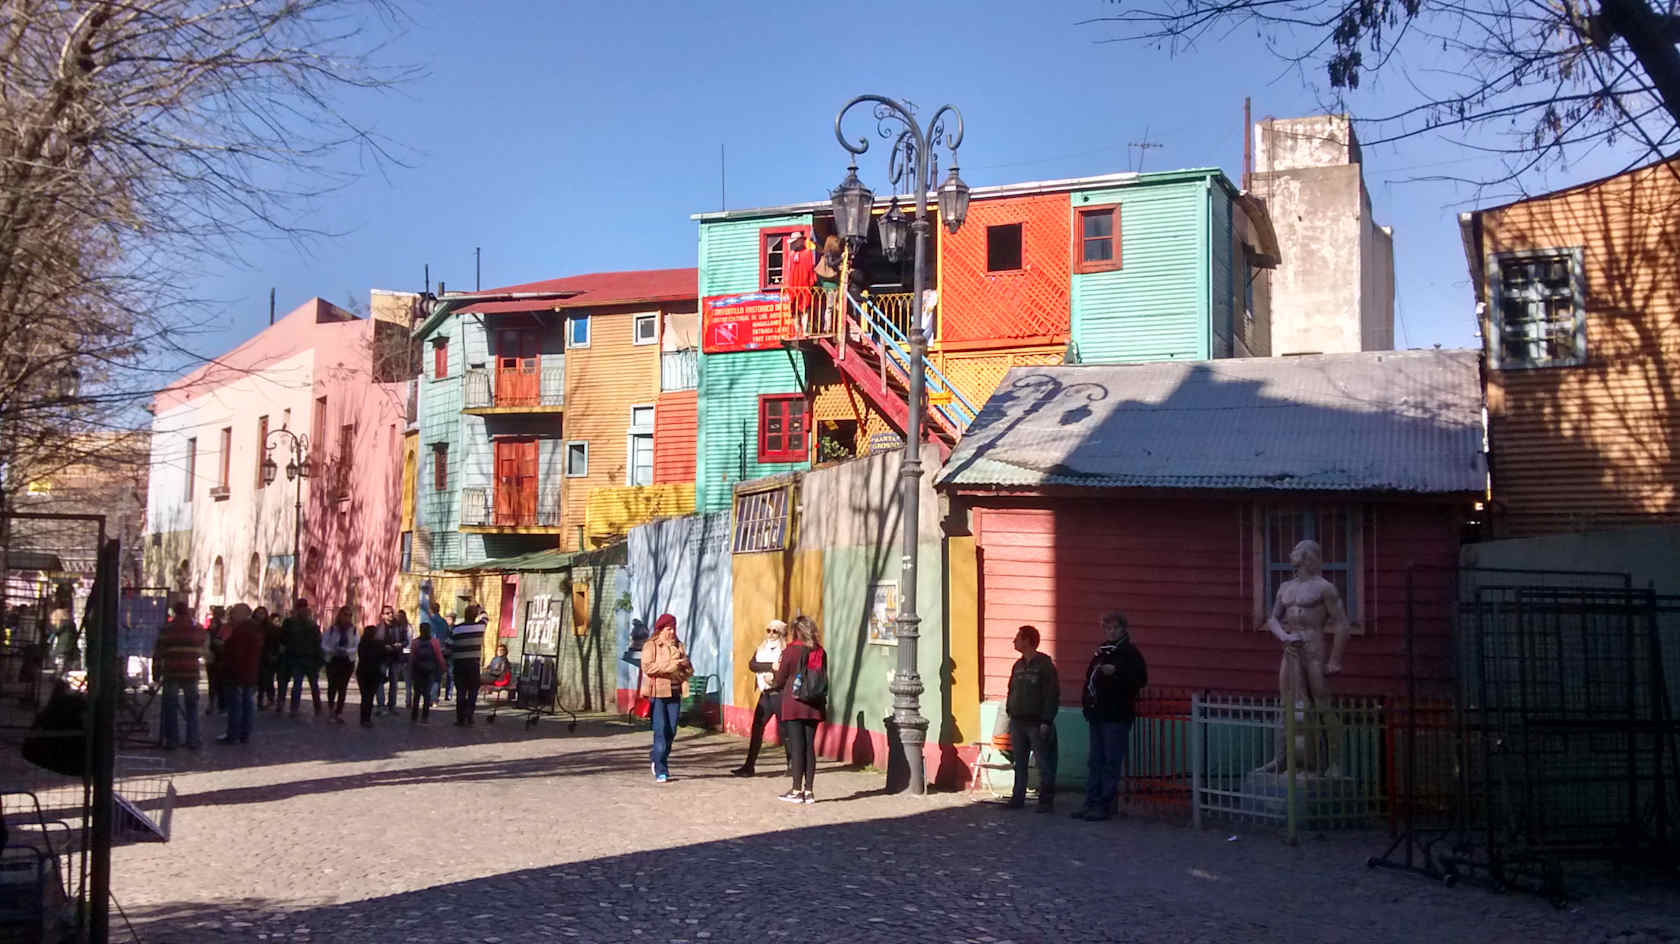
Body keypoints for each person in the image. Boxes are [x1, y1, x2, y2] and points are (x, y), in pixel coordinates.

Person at [1262, 539, 1352, 774]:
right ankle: (1281, 759)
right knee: (1286, 704)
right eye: (1306, 554)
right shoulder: (1284, 588)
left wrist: (1335, 659)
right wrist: (1284, 636)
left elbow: (1342, 624)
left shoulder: (1325, 587)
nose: (1309, 559)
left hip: (1314, 647)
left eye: (1312, 555)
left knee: (1321, 704)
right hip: (1291, 647)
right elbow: (1272, 619)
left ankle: (1334, 762)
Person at [1073, 612, 1149, 821]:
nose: (1111, 632)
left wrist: (1116, 672)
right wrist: (1087, 706)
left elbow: (1140, 680)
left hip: (1117, 715)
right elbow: (1089, 679)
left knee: (1110, 762)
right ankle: (1090, 802)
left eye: (1115, 628)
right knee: (1095, 761)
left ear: (1123, 629)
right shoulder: (1101, 652)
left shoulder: (1130, 653)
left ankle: (1105, 805)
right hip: (1097, 714)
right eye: (1107, 628)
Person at [1004, 624, 1060, 812]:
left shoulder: (1044, 665)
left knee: (1044, 762)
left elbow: (1052, 694)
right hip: (1018, 721)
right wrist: (1009, 712)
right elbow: (1011, 690)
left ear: (1028, 641)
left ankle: (1046, 801)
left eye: (1018, 637)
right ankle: (1017, 798)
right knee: (1019, 763)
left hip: (1037, 722)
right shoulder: (1018, 665)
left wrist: (1047, 720)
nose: (1014, 641)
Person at [770, 616, 826, 804]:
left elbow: (780, 679)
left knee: (797, 746)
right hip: (814, 704)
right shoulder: (819, 651)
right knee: (809, 747)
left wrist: (775, 673)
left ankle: (796, 790)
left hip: (794, 703)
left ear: (796, 632)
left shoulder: (792, 651)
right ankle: (809, 791)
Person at [639, 613, 692, 783]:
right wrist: (670, 666)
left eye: (674, 628)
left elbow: (689, 671)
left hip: (675, 693)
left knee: (671, 731)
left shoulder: (679, 645)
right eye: (669, 628)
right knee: (660, 730)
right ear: (661, 629)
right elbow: (648, 668)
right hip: (658, 693)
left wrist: (685, 665)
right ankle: (662, 768)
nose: (672, 632)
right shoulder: (651, 645)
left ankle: (656, 755)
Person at [732, 619, 786, 778]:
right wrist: (770, 666)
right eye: (768, 630)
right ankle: (749, 766)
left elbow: (784, 668)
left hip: (778, 694)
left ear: (781, 633)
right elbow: (752, 665)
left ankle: (792, 765)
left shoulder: (784, 650)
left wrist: (774, 671)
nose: (770, 634)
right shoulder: (761, 648)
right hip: (765, 694)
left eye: (774, 631)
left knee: (785, 731)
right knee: (756, 729)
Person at [153, 601, 204, 750]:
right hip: (191, 672)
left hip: (172, 671)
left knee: (170, 706)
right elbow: (202, 647)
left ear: (174, 611)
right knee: (192, 707)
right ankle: (193, 739)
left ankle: (172, 740)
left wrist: (156, 673)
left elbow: (158, 653)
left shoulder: (166, 629)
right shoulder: (197, 628)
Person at [218, 604, 264, 744]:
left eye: (234, 613)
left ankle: (234, 734)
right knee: (247, 704)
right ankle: (244, 734)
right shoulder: (254, 629)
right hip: (249, 673)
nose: (232, 616)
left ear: (243, 614)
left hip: (238, 673)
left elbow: (237, 653)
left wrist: (224, 649)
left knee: (237, 705)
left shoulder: (243, 630)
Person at [281, 599, 323, 716]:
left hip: (300, 657)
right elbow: (318, 642)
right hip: (305, 657)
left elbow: (285, 639)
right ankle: (316, 707)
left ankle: (296, 708)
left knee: (300, 684)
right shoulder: (311, 624)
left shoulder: (292, 623)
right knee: (310, 684)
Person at [449, 605, 488, 726]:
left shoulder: (455, 629)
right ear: (475, 616)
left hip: (459, 664)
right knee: (473, 691)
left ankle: (460, 718)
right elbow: (486, 617)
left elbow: (448, 646)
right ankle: (469, 714)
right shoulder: (479, 627)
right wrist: (480, 608)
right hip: (473, 665)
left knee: (461, 691)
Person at [322, 606, 358, 724]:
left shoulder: (353, 630)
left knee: (342, 687)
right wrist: (332, 650)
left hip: (347, 661)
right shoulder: (332, 629)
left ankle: (339, 712)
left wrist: (346, 651)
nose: (347, 618)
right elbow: (323, 644)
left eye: (349, 615)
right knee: (332, 686)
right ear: (340, 615)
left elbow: (356, 646)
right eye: (344, 615)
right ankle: (331, 709)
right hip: (333, 660)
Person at [409, 620, 444, 724]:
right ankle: (425, 717)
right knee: (427, 694)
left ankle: (414, 715)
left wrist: (410, 670)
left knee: (417, 694)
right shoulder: (435, 642)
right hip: (430, 671)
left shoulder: (415, 642)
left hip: (418, 671)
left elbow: (411, 657)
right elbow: (439, 656)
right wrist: (443, 667)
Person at [784, 229, 818, 334]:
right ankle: (798, 330)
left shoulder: (807, 253)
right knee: (794, 308)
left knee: (805, 307)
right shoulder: (791, 255)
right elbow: (788, 271)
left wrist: (811, 281)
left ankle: (804, 330)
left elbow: (810, 269)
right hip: (793, 286)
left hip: (804, 285)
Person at [355, 625, 387, 728]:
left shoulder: (362, 644)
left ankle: (363, 718)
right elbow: (384, 656)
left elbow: (361, 657)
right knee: (370, 697)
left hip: (362, 672)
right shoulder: (379, 645)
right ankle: (367, 718)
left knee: (365, 696)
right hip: (374, 673)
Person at [383, 607, 411, 714]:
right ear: (383, 615)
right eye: (387, 613)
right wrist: (384, 646)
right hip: (384, 657)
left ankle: (392, 705)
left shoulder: (400, 627)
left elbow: (407, 641)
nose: (390, 615)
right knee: (380, 681)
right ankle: (381, 705)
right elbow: (377, 641)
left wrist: (401, 645)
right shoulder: (381, 627)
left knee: (394, 683)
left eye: (391, 613)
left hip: (396, 657)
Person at [816, 235, 844, 333]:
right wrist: (841, 258)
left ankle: (834, 326)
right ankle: (828, 328)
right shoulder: (828, 253)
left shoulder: (831, 253)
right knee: (830, 306)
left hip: (832, 284)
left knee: (834, 306)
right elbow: (830, 264)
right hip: (830, 284)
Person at [257, 608, 284, 710]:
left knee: (268, 679)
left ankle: (271, 698)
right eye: (259, 614)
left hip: (270, 657)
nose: (260, 616)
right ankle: (261, 700)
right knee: (261, 680)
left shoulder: (273, 629)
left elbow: (277, 643)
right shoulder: (255, 627)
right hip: (259, 657)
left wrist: (274, 654)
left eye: (262, 614)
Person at [429, 601, 455, 703]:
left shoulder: (430, 621)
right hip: (442, 651)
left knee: (431, 675)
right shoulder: (444, 622)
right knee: (437, 675)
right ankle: (435, 697)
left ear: (431, 610)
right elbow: (448, 636)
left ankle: (432, 697)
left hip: (432, 650)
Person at [203, 606, 227, 716]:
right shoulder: (224, 627)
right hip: (219, 658)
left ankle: (213, 704)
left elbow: (207, 641)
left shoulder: (215, 627)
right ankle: (219, 705)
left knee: (213, 683)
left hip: (214, 658)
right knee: (219, 683)